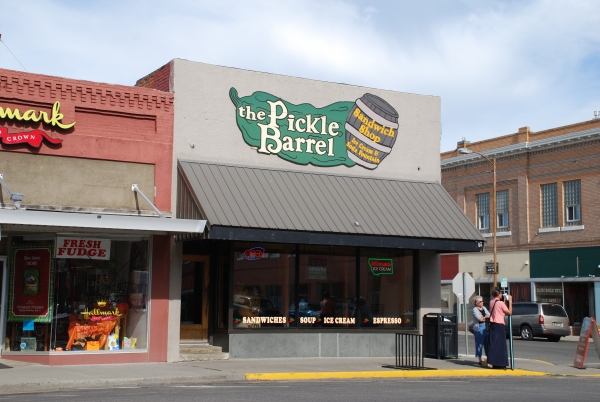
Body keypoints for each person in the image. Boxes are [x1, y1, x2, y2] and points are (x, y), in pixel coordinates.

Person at [487, 289, 512, 369]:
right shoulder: (500, 303)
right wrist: (510, 302)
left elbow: (500, 307)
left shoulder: (491, 302)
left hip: (493, 324)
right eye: (501, 294)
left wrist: (506, 301)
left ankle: (494, 362)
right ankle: (501, 363)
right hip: (499, 324)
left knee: (494, 344)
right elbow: (509, 312)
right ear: (499, 294)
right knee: (501, 345)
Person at [472, 295, 490, 366]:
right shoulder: (475, 309)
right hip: (479, 328)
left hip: (486, 328)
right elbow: (480, 319)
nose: (482, 303)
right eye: (480, 302)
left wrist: (485, 317)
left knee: (487, 344)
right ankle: (479, 359)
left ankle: (489, 358)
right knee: (479, 344)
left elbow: (489, 315)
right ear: (476, 302)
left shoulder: (484, 308)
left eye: (482, 301)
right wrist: (486, 317)